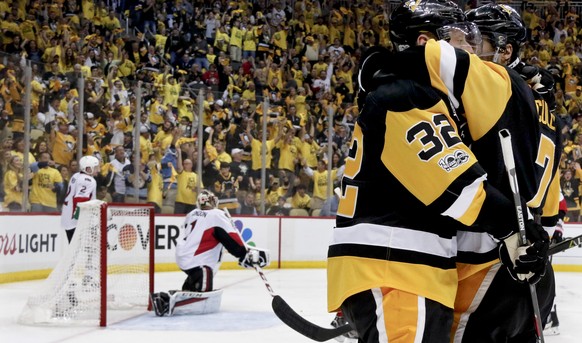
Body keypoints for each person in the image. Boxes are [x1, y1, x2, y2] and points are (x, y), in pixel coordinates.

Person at [328, 1, 549, 342]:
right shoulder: (405, 95)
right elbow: (459, 188)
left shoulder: (414, 93)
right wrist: (514, 229)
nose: (469, 48)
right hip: (394, 266)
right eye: (458, 39)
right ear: (424, 44)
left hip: (413, 266)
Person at [445, 5, 563, 342]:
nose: (465, 47)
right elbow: (550, 179)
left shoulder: (492, 91)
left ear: (505, 49)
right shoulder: (542, 97)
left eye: (475, 40)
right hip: (534, 257)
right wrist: (550, 225)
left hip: (486, 259)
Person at [150, 190, 269, 317]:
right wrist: (244, 253)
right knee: (203, 295)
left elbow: (212, 237)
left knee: (193, 285)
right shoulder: (216, 215)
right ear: (212, 201)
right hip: (199, 262)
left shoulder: (192, 214)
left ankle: (184, 290)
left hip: (184, 257)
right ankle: (166, 301)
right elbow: (229, 238)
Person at [60, 155, 99, 243]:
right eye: (96, 167)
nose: (98, 170)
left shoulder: (76, 175)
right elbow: (79, 201)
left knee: (76, 250)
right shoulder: (88, 180)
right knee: (80, 251)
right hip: (75, 221)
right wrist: (83, 221)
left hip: (67, 218)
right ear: (88, 169)